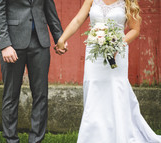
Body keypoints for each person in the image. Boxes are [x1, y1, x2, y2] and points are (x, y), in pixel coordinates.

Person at [55, 0, 161, 142]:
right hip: (94, 54)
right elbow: (78, 19)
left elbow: (135, 30)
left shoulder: (128, 1)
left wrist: (118, 44)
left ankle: (118, 135)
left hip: (117, 53)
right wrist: (62, 38)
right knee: (94, 91)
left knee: (115, 91)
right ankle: (92, 137)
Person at [0, 0, 67, 143]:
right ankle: (11, 140)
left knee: (41, 95)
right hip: (12, 43)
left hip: (40, 42)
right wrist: (5, 44)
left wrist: (59, 38)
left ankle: (36, 140)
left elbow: (50, 9)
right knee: (11, 95)